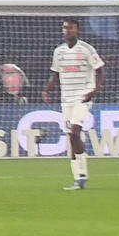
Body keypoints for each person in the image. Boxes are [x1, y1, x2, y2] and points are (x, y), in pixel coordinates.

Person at [47, 17, 105, 191]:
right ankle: (79, 176)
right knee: (71, 137)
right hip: (66, 100)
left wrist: (93, 90)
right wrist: (46, 90)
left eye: (71, 28)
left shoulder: (87, 49)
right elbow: (56, 75)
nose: (67, 31)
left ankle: (82, 176)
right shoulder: (59, 51)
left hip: (82, 97)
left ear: (77, 31)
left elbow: (99, 70)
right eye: (65, 28)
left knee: (75, 132)